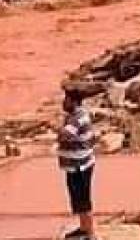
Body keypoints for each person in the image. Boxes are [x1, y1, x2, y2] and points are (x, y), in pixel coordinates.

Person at [58, 87, 96, 239]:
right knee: (78, 198)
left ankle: (90, 232)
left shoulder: (78, 118)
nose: (63, 102)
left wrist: (59, 130)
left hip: (80, 165)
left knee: (83, 198)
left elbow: (64, 134)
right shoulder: (75, 115)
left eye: (66, 99)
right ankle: (84, 227)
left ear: (74, 101)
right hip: (77, 164)